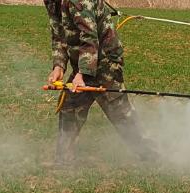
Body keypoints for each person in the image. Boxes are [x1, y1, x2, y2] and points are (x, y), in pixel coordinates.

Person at [43, 0, 158, 164]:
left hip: (105, 62)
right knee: (70, 107)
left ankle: (152, 156)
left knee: (120, 113)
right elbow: (58, 33)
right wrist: (59, 66)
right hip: (86, 61)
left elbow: (89, 37)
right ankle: (63, 161)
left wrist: (82, 74)